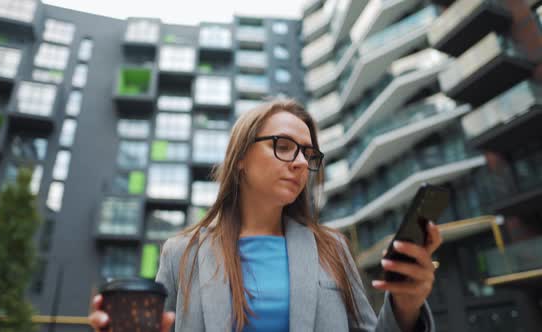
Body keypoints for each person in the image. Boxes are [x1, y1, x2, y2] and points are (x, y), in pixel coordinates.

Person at [89, 99, 442, 332]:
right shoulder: (182, 252)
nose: (302, 163)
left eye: (308, 154)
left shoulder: (332, 247)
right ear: (240, 158)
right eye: (284, 146)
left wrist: (406, 305)